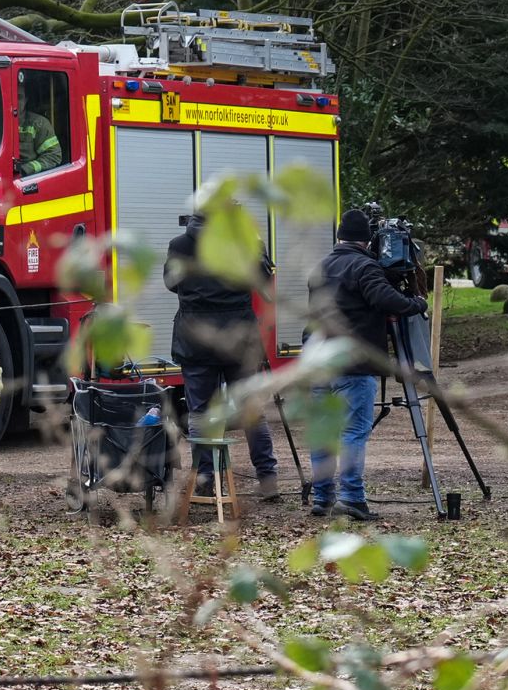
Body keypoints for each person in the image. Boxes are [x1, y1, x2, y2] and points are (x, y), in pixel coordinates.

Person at [303, 209, 427, 521]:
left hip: (319, 360)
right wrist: (417, 304)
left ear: (339, 236)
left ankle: (322, 497)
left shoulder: (320, 267)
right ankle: (352, 499)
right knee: (353, 431)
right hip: (353, 363)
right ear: (367, 240)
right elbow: (387, 300)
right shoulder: (365, 266)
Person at [163, 211, 281, 501]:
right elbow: (265, 288)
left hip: (196, 339)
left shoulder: (180, 244)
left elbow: (171, 283)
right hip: (239, 339)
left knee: (200, 412)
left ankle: (205, 481)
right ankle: (267, 479)